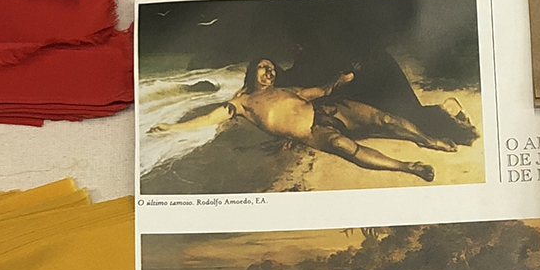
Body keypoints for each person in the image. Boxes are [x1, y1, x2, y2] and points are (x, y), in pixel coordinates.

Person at [151, 55, 472, 182]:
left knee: (386, 120)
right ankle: (409, 167)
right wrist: (172, 127)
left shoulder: (285, 89)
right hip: (312, 132)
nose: (269, 71)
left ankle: (427, 140)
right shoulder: (243, 103)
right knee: (349, 150)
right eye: (263, 67)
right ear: (251, 73)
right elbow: (208, 118)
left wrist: (341, 79)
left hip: (330, 110)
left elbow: (322, 91)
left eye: (271, 68)